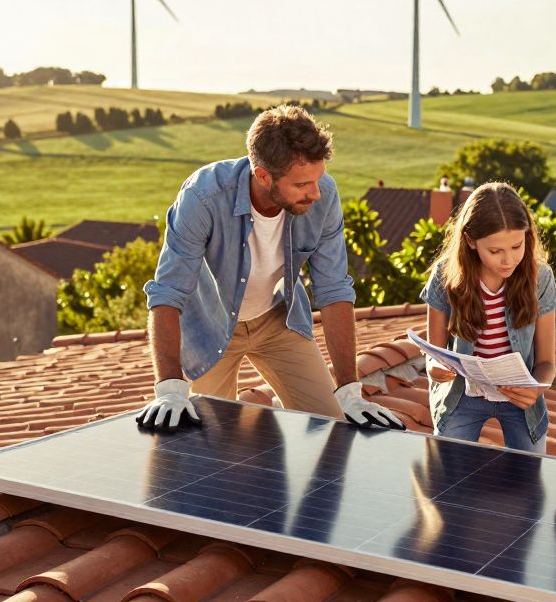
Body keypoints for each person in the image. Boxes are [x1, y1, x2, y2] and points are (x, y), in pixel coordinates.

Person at [137, 105, 404, 432]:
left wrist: (349, 391)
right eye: (303, 184)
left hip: (279, 320)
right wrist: (169, 387)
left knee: (331, 425)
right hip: (211, 326)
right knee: (209, 441)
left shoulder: (323, 195)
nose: (316, 192)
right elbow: (167, 293)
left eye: (318, 179)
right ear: (263, 175)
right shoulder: (203, 197)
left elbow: (334, 290)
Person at [420, 183, 556, 453]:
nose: (509, 260)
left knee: (529, 479)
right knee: (446, 471)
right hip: (463, 395)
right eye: (495, 251)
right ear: (471, 241)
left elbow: (546, 364)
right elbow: (433, 354)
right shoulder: (444, 275)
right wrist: (433, 368)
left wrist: (536, 388)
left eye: (517, 246)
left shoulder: (540, 278)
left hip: (520, 399)